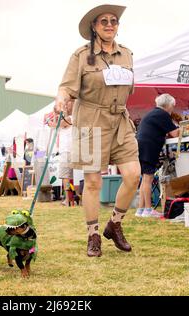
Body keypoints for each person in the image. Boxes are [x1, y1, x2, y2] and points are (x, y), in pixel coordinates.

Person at [55, 4, 140, 257]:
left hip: (120, 121)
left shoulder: (127, 54)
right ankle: (93, 235)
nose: (110, 25)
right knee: (92, 182)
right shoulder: (81, 55)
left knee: (133, 175)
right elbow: (66, 87)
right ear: (94, 26)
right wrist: (61, 100)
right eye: (104, 21)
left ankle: (114, 224)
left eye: (114, 21)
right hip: (90, 120)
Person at [135, 94, 180, 218]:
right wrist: (186, 128)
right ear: (169, 105)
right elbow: (175, 133)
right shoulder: (163, 114)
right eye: (173, 106)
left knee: (145, 179)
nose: (173, 109)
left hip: (141, 146)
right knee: (148, 179)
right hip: (149, 147)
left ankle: (141, 209)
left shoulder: (152, 113)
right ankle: (148, 209)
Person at [58, 101, 74, 206]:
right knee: (66, 176)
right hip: (66, 150)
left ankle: (68, 200)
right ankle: (69, 199)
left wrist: (63, 112)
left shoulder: (71, 118)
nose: (66, 106)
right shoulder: (70, 118)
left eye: (68, 104)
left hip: (67, 150)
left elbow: (60, 124)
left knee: (65, 176)